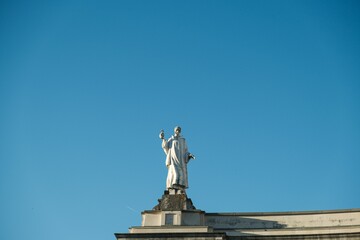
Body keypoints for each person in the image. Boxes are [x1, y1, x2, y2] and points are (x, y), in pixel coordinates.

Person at [159, 126, 194, 192]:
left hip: (181, 161)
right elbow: (165, 147)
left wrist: (189, 155)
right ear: (175, 131)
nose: (178, 131)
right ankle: (173, 187)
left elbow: (186, 151)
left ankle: (179, 188)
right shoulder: (171, 139)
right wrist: (163, 139)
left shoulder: (183, 140)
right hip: (173, 160)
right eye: (177, 129)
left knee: (181, 174)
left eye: (179, 130)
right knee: (175, 174)